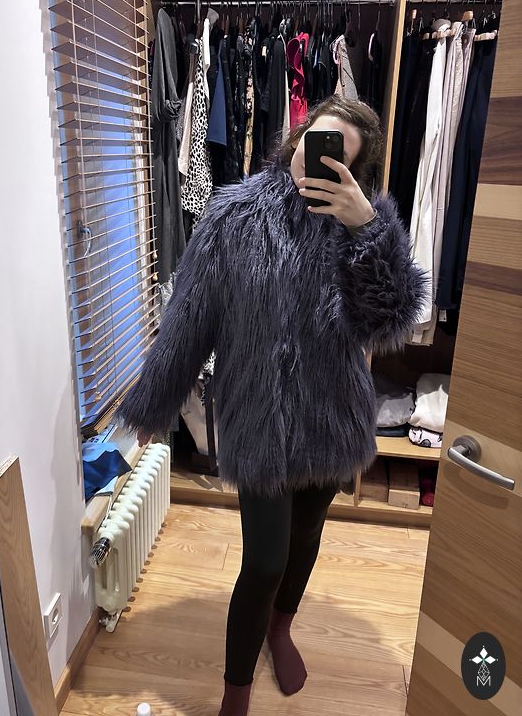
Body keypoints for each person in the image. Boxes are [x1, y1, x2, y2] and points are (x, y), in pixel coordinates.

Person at [117, 95, 427, 716]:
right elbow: (188, 322)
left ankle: (280, 628)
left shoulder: (362, 223)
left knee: (307, 535)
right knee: (263, 561)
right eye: (317, 138)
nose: (318, 158)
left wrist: (367, 230)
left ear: (353, 170)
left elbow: (391, 320)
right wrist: (153, 408)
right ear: (298, 134)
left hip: (332, 416)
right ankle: (235, 692)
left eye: (338, 155)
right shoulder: (232, 217)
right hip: (258, 419)